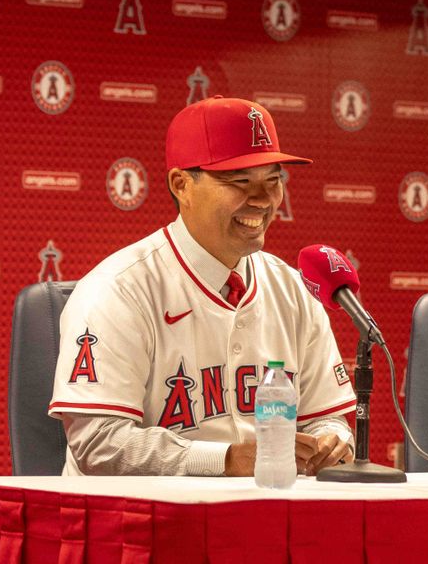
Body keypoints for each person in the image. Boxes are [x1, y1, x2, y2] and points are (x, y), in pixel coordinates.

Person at [49, 96, 356, 476]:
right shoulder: (118, 290)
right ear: (181, 185)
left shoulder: (293, 290)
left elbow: (330, 421)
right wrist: (224, 460)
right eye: (241, 181)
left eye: (273, 180)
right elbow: (98, 443)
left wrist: (329, 441)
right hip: (145, 525)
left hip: (265, 518)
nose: (263, 200)